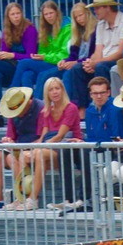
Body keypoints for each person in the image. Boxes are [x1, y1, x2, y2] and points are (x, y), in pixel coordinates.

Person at [63, 0, 123, 110]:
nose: (95, 11)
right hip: (102, 60)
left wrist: (96, 63)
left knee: (100, 67)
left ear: (107, 7)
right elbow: (97, 51)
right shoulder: (100, 24)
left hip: (119, 61)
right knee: (77, 68)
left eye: (97, 8)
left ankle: (102, 106)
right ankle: (82, 110)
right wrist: (90, 63)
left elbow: (120, 52)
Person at [26, 77, 82, 212]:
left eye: (57, 88)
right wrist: (31, 148)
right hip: (52, 147)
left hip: (68, 147)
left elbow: (60, 135)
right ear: (47, 93)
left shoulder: (71, 108)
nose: (55, 92)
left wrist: (41, 147)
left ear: (63, 90)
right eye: (51, 90)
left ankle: (33, 198)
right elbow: (43, 136)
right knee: (25, 155)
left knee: (39, 153)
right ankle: (23, 198)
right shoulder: (46, 111)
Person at [0, 86, 43, 210]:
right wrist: (8, 141)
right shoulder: (13, 110)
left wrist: (21, 147)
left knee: (17, 157)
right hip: (18, 148)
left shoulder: (40, 109)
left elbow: (42, 138)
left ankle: (23, 198)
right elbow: (10, 136)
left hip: (34, 148)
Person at [11, 1, 71, 107]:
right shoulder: (45, 29)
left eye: (51, 13)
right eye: (46, 14)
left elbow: (64, 54)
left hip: (60, 63)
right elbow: (42, 50)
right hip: (48, 61)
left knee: (24, 64)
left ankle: (13, 97)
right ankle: (28, 105)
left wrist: (45, 57)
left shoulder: (67, 28)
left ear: (57, 12)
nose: (49, 16)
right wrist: (41, 56)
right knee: (27, 75)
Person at [82, 75, 123, 210]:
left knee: (86, 152)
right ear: (90, 94)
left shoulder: (115, 109)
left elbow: (116, 136)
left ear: (108, 92)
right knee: (71, 151)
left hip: (112, 150)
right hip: (96, 146)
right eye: (95, 93)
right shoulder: (89, 111)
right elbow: (91, 135)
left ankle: (89, 197)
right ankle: (78, 198)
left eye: (102, 92)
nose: (99, 96)